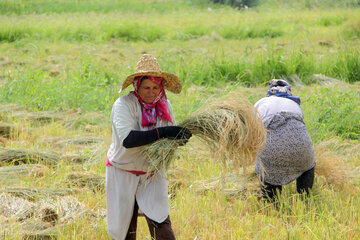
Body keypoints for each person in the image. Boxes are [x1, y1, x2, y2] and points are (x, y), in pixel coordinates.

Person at [106, 54, 192, 240]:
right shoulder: (123, 105)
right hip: (123, 171)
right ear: (137, 86)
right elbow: (129, 140)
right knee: (124, 230)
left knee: (161, 225)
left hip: (152, 172)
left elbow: (170, 139)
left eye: (155, 87)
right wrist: (166, 132)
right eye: (146, 87)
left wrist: (179, 137)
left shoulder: (164, 105)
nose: (151, 92)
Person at [254, 79, 315, 201]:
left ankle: (272, 204)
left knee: (265, 167)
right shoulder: (295, 105)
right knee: (308, 166)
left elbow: (253, 132)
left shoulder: (261, 103)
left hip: (271, 150)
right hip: (301, 149)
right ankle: (305, 199)